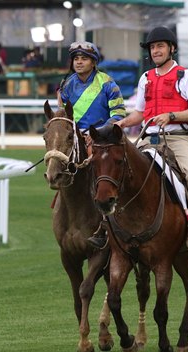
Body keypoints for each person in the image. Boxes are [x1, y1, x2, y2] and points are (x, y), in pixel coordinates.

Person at [115, 26, 188, 256]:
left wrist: (172, 116)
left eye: (160, 46)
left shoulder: (185, 76)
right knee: (116, 171)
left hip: (177, 139)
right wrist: (123, 124)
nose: (155, 51)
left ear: (171, 49)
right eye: (152, 47)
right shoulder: (145, 78)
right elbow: (140, 113)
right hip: (148, 139)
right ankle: (107, 227)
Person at [57, 41, 126, 249]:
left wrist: (96, 134)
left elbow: (119, 114)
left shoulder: (108, 83)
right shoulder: (67, 84)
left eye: (84, 58)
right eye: (76, 59)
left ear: (93, 62)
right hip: (75, 140)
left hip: (102, 139)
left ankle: (108, 222)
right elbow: (62, 116)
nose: (79, 62)